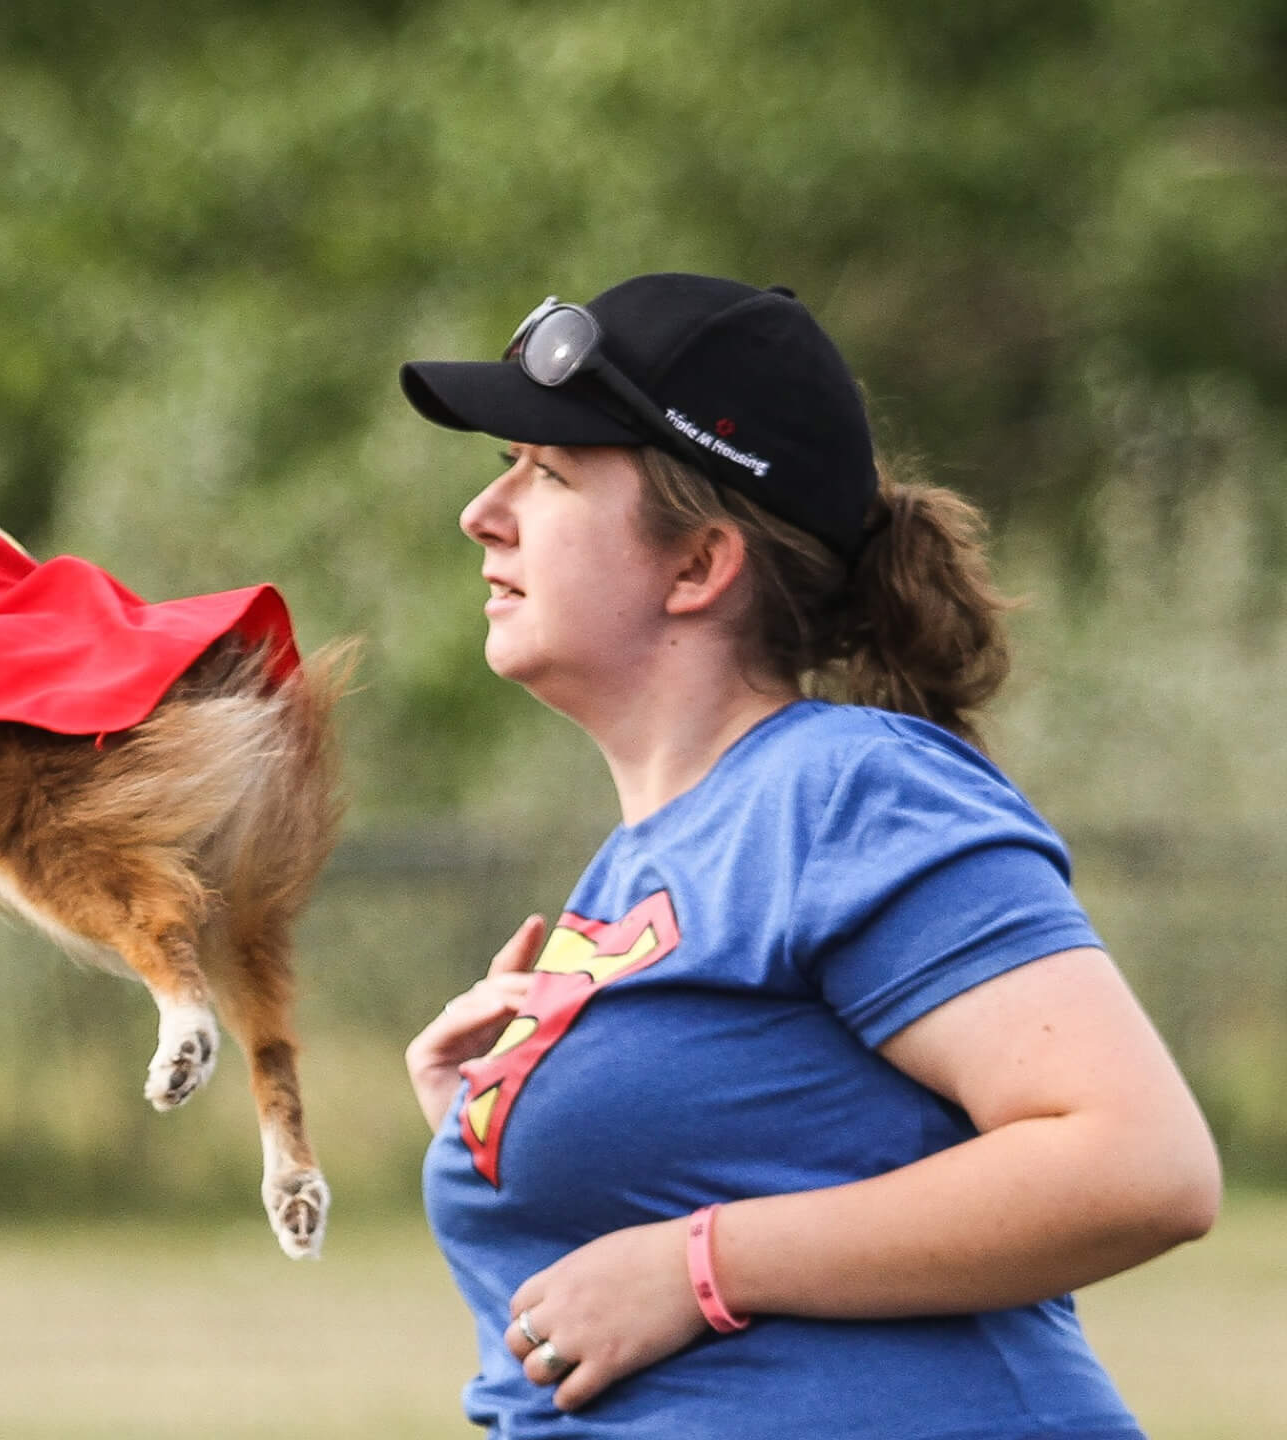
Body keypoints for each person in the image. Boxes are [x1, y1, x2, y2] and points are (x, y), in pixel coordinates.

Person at [395, 274, 1220, 1437]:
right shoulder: (646, 861)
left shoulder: (844, 788)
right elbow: (590, 1328)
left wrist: (705, 1263)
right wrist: (496, 1134)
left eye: (551, 471)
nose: (485, 514)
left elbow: (1138, 1166)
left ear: (697, 566)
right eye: (503, 468)